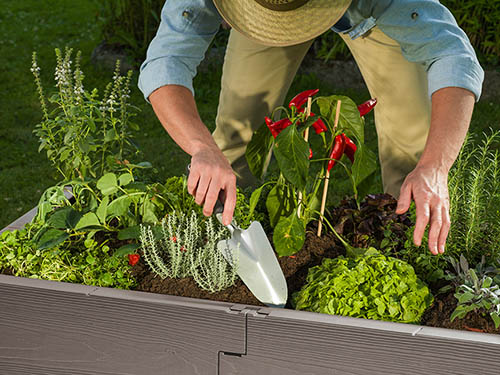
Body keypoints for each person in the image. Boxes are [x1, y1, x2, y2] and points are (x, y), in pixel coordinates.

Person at [138, 0, 484, 256]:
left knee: (411, 151)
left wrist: (434, 166)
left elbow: (453, 57)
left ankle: (410, 257)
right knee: (234, 133)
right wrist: (202, 148)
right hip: (262, 15)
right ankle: (223, 242)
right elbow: (166, 62)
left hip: (369, 15)